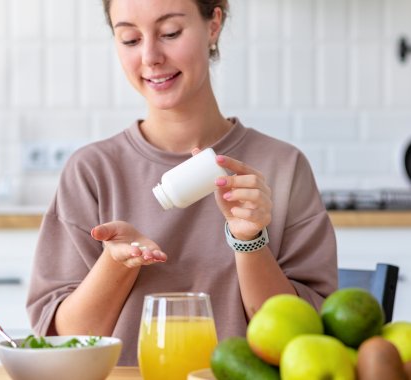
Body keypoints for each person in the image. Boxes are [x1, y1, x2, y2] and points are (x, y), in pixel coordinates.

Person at [26, 0, 337, 365]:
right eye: (129, 39)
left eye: (170, 32)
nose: (150, 56)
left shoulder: (282, 167)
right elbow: (63, 342)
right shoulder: (92, 171)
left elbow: (305, 340)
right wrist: (117, 264)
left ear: (213, 25)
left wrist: (249, 241)